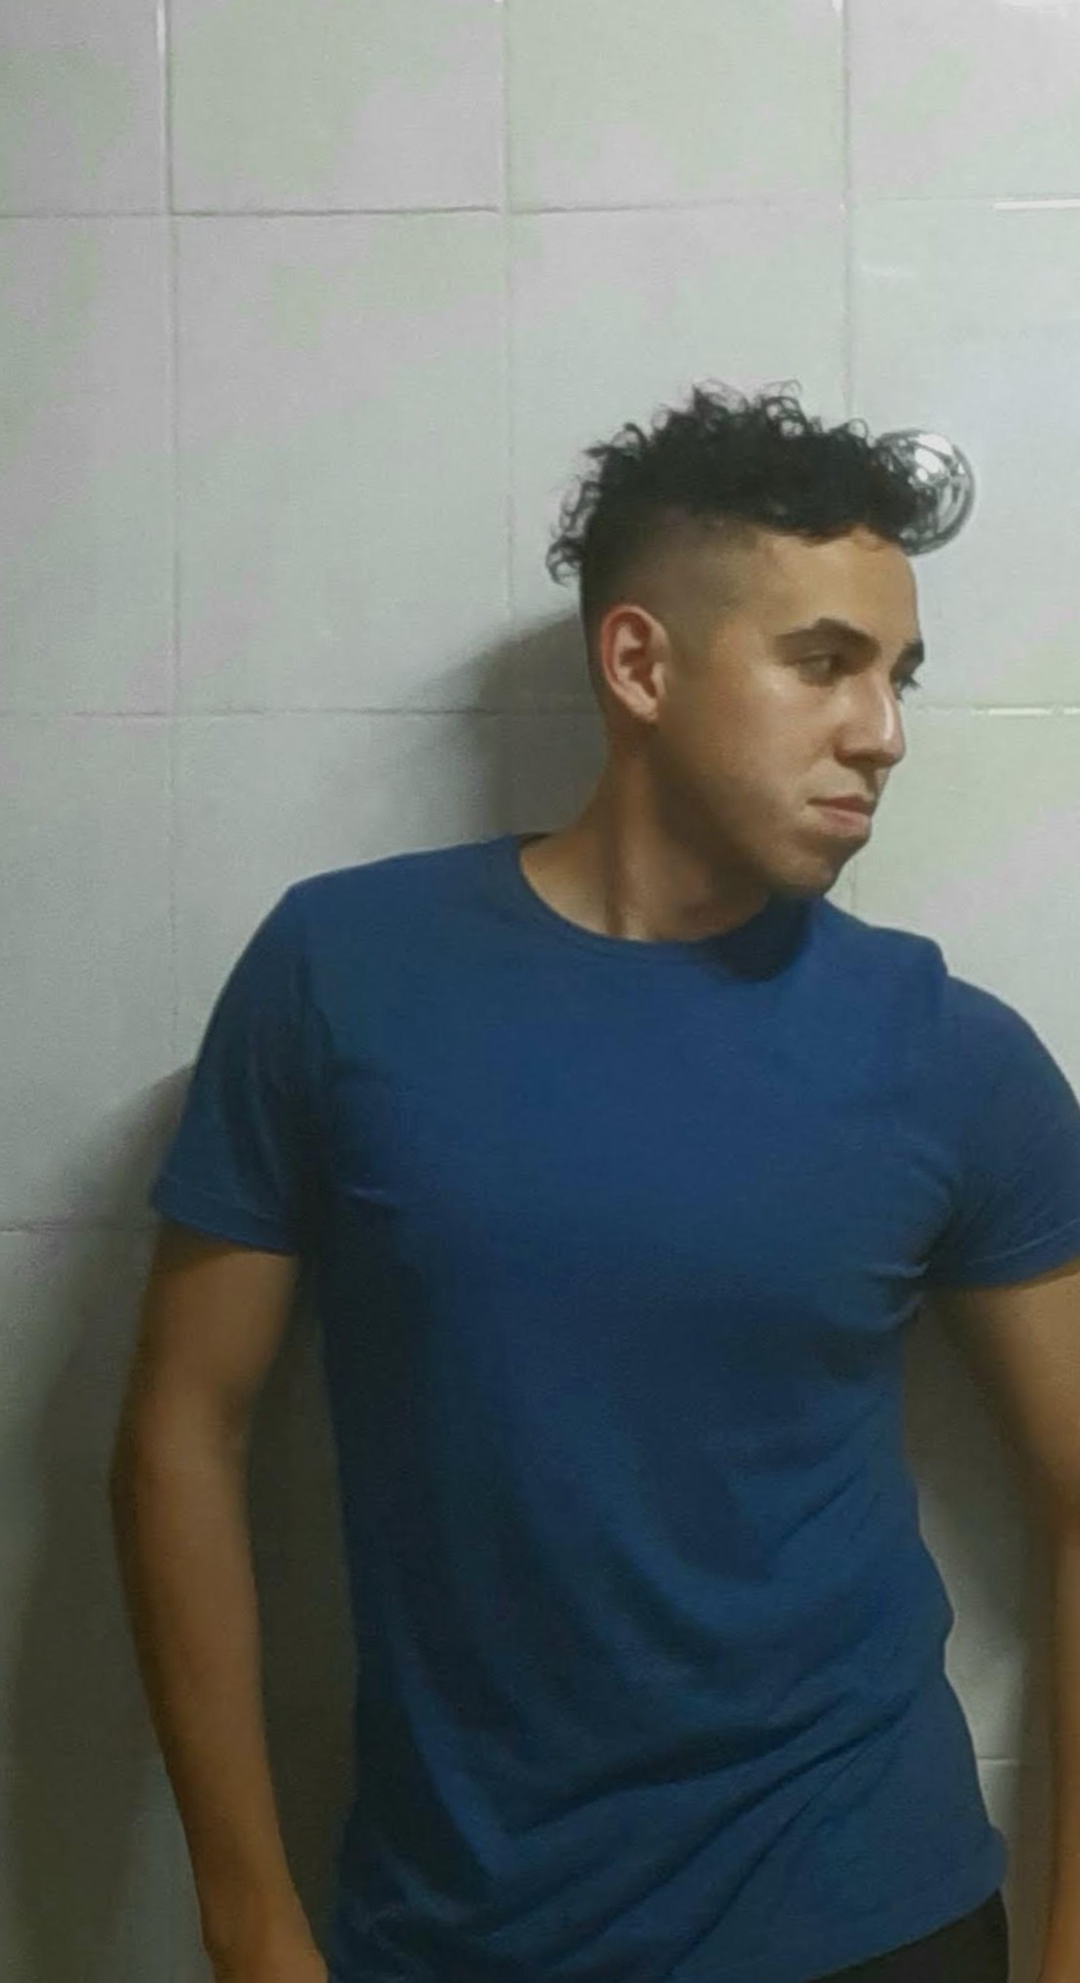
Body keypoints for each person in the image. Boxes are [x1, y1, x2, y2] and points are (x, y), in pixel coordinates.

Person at [109, 382, 1080, 1983]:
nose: (883, 732)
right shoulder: (343, 976)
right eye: (824, 662)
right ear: (639, 663)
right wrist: (249, 1918)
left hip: (871, 1917)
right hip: (461, 1925)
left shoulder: (951, 1056)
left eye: (899, 678)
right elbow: (179, 1431)